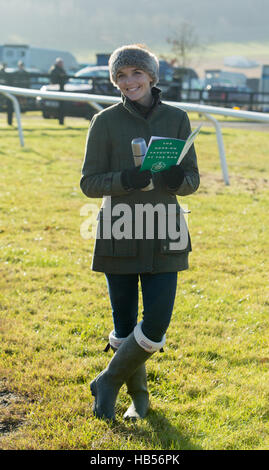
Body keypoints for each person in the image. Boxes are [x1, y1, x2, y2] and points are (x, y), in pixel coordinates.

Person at [80, 44, 200, 421]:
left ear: (151, 75)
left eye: (135, 73)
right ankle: (141, 399)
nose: (128, 82)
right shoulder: (105, 122)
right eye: (120, 76)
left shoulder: (178, 119)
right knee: (124, 323)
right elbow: (88, 183)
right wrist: (124, 180)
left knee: (157, 321)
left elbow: (192, 180)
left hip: (166, 230)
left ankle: (107, 381)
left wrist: (179, 179)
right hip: (120, 231)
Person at [49, 58, 68, 124]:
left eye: (61, 63)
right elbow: (53, 80)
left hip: (61, 89)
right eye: (60, 63)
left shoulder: (62, 69)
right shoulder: (54, 69)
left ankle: (61, 119)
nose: (61, 64)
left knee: (62, 104)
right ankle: (59, 118)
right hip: (55, 89)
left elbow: (65, 77)